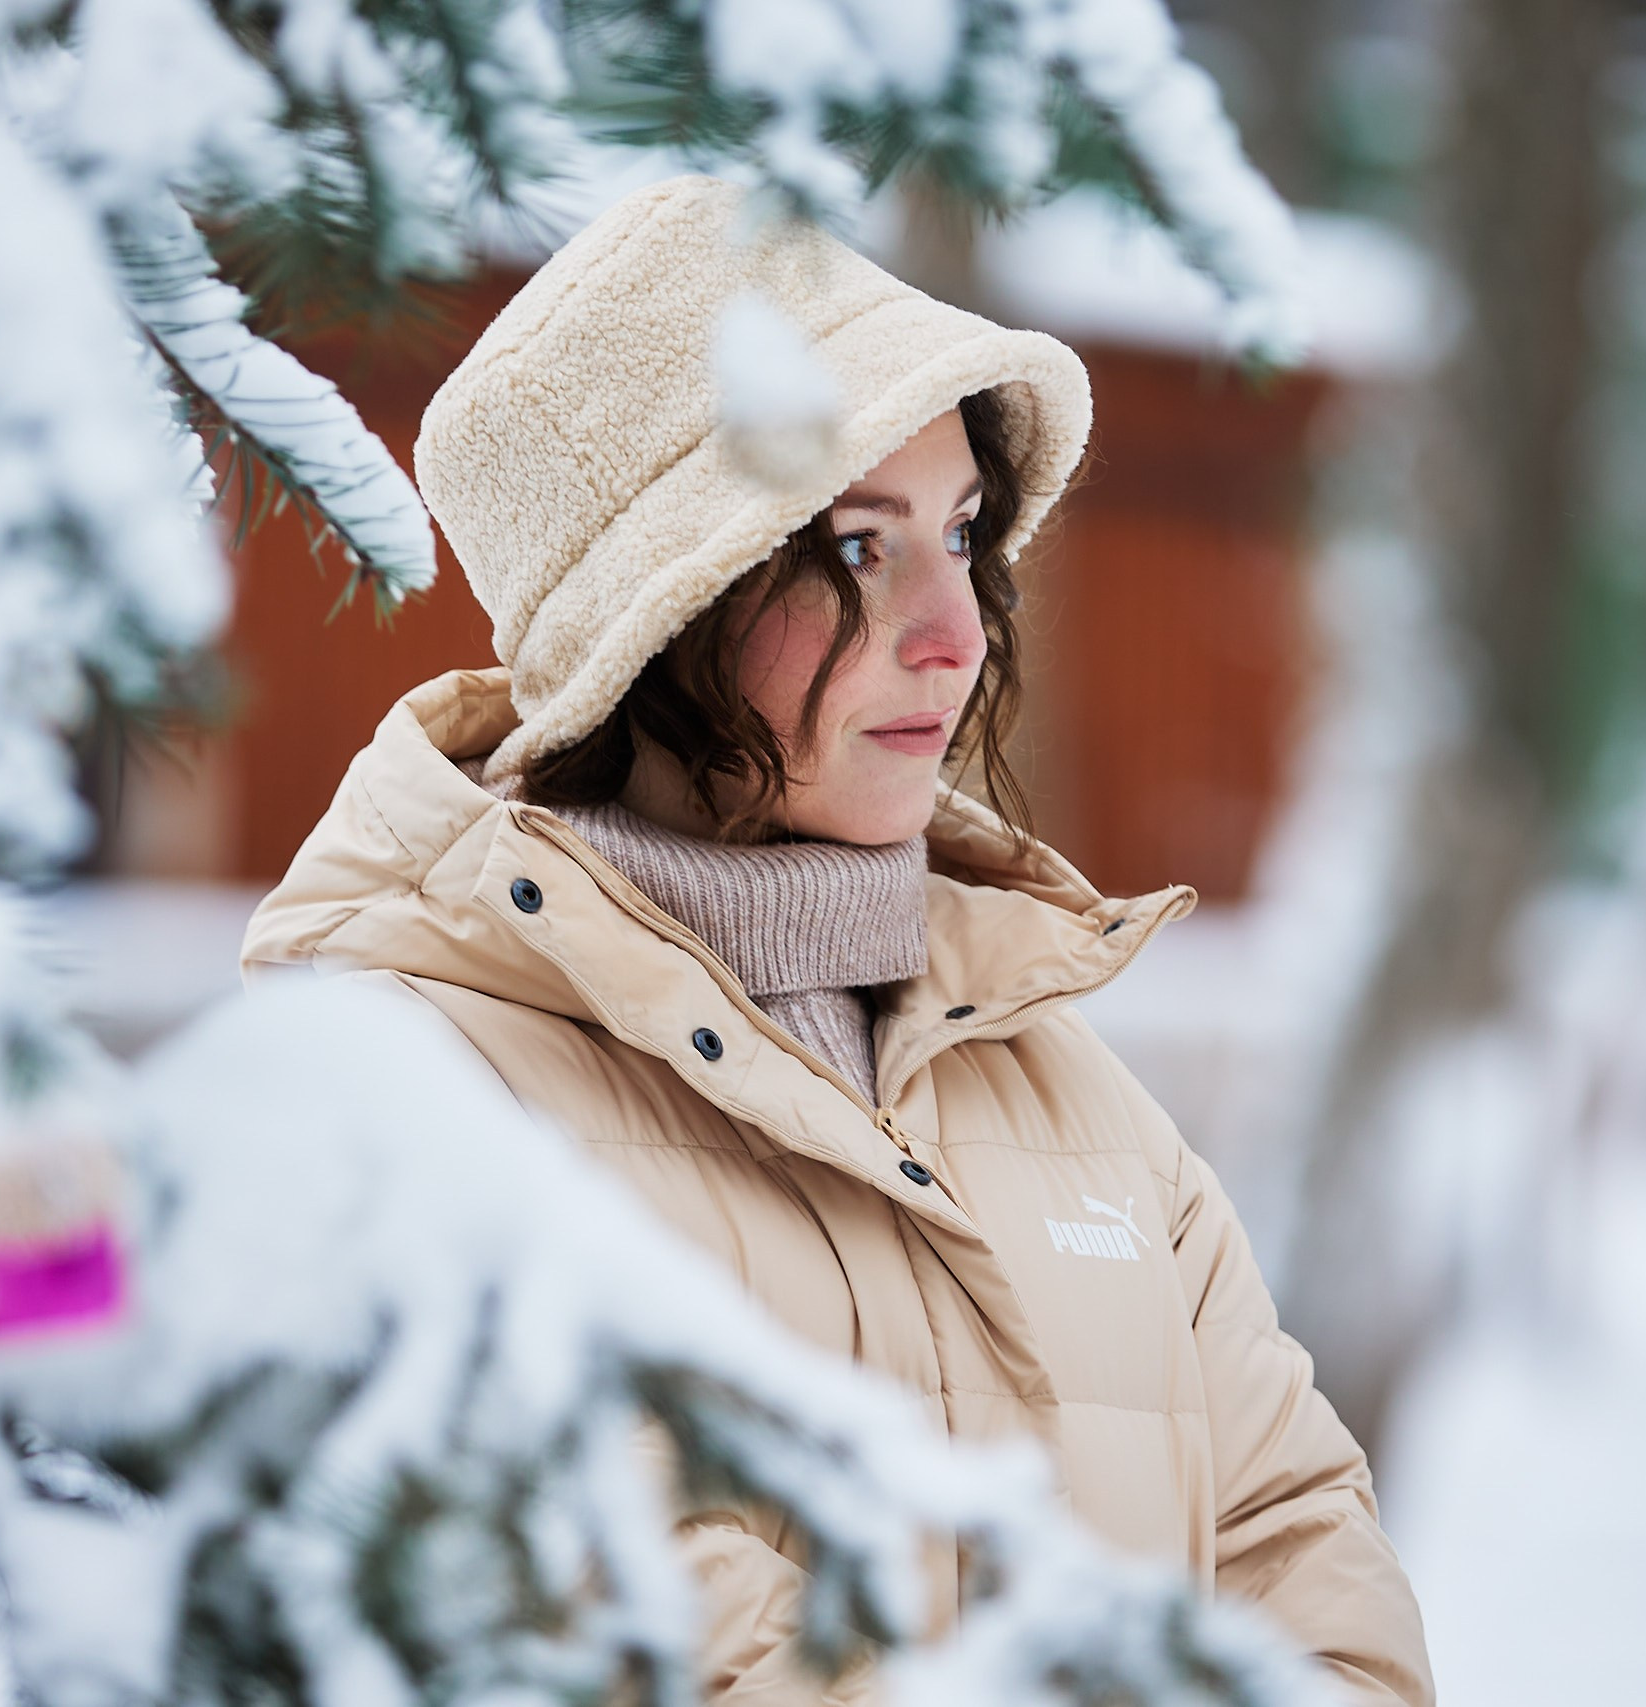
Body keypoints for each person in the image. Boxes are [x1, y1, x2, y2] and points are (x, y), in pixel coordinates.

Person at [244, 175, 1433, 1705]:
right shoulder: (411, 1092)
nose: (960, 631)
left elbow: (1301, 1560)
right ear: (656, 615)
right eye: (861, 550)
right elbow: (628, 1637)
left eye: (962, 534)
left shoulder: (1079, 1112)